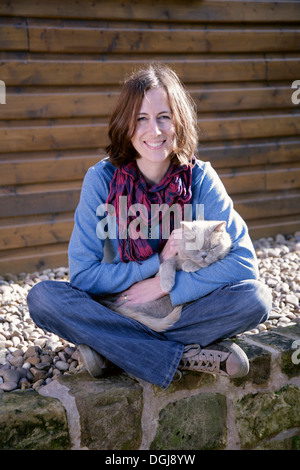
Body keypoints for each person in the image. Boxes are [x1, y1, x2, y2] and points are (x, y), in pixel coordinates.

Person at [27, 64, 272, 389]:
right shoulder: (101, 180)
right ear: (126, 125)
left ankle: (114, 349)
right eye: (141, 118)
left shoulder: (200, 178)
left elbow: (244, 264)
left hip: (183, 305)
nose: (154, 131)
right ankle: (181, 354)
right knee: (44, 297)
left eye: (164, 117)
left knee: (255, 299)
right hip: (120, 306)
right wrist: (154, 266)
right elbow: (84, 276)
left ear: (179, 120)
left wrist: (167, 286)